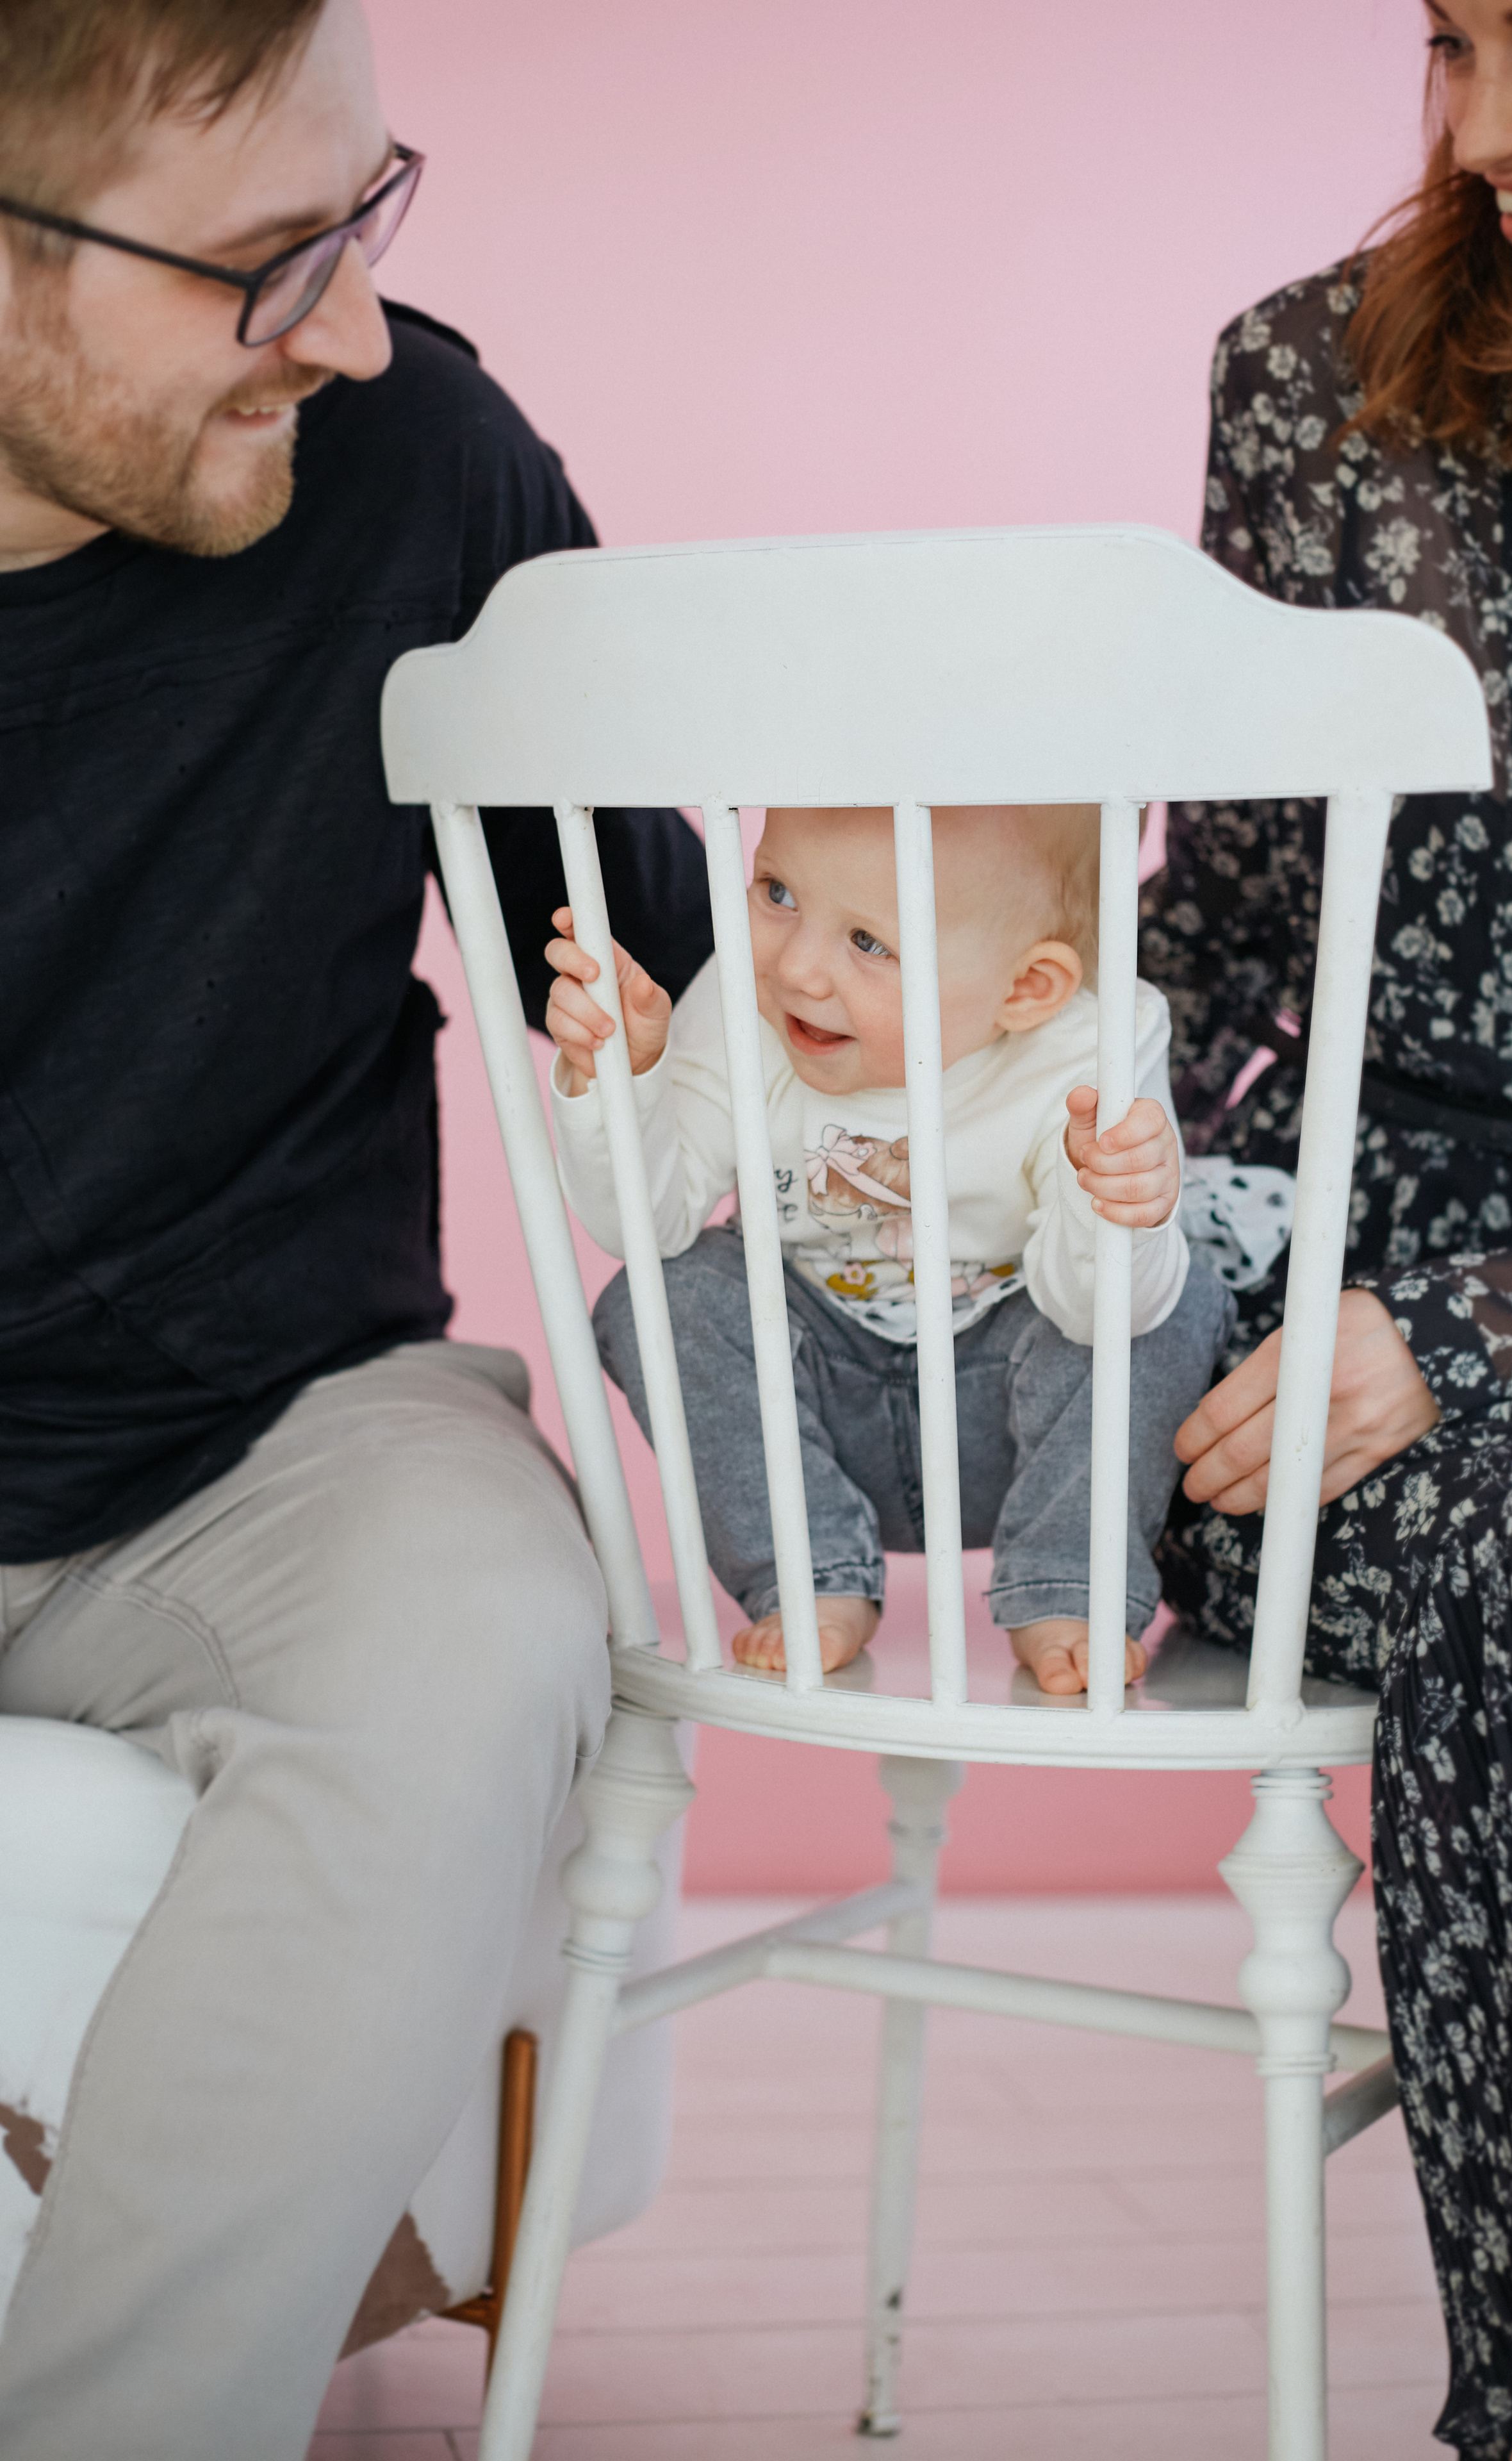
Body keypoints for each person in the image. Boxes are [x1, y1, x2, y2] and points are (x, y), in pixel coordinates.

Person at [0, 3, 711, 2457]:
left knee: (496, 1618)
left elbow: (683, 1017)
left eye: (366, 213)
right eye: (259, 262)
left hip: (271, 1445)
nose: (355, 325)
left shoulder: (416, 468)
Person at [1141, 0, 1512, 2452]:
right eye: (1452, 39)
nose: (1486, 125)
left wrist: (1484, 1322)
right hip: (1309, 1305)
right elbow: (1213, 946)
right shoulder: (1309, 389)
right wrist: (1026, 1193)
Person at [545, 801, 1237, 1695]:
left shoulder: (1090, 1043)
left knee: (1170, 1303)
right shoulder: (740, 1000)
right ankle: (808, 1567)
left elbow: (1092, 1311)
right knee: (658, 1292)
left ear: (1027, 989)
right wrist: (619, 1081)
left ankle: (1068, 1580)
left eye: (870, 942)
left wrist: (1120, 1206)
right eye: (779, 892)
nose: (797, 967)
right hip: (816, 1402)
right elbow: (651, 1224)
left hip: (1014, 1411)